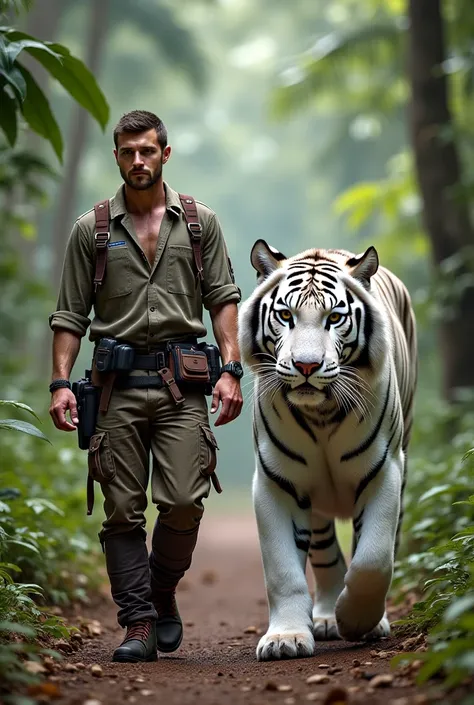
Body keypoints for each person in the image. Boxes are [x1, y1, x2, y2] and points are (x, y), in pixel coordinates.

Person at [48, 110, 243, 663]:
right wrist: (61, 382)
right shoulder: (93, 230)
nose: (139, 160)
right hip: (115, 389)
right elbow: (69, 316)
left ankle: (159, 593)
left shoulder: (200, 224)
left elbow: (224, 299)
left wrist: (231, 368)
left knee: (183, 502)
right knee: (122, 511)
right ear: (116, 156)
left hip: (184, 387)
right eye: (128, 151)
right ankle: (136, 623)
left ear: (165, 153)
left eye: (148, 151)